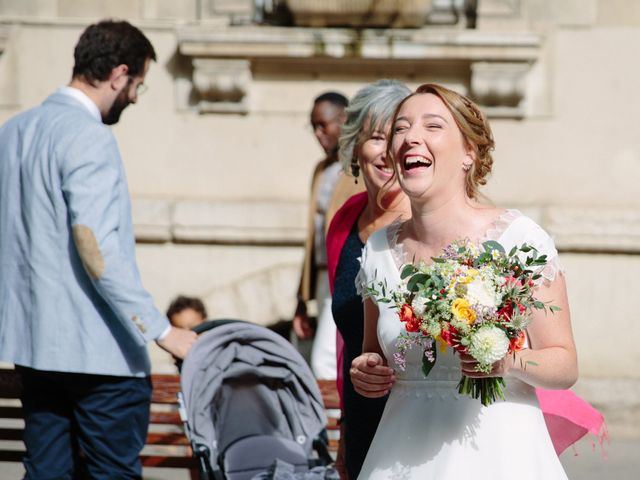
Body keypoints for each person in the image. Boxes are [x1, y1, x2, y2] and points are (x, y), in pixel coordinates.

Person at [0, 20, 197, 479]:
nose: (132, 97)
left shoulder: (13, 133)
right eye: (137, 86)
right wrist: (162, 330)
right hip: (100, 357)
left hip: (36, 348)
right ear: (119, 74)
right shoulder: (88, 135)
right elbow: (95, 248)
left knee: (46, 473)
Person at [351, 84, 579, 479]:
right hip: (400, 456)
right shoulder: (378, 250)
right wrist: (367, 369)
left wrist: (508, 360)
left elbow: (565, 363)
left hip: (500, 455)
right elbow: (375, 353)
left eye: (432, 126)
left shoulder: (519, 240)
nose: (410, 138)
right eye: (401, 129)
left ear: (468, 154)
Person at [325, 80, 411, 479]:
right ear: (356, 146)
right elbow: (349, 341)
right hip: (361, 414)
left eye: (399, 135)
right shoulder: (345, 219)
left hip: (417, 414)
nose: (390, 151)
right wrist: (345, 430)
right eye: (377, 137)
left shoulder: (425, 223)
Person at [293, 92, 364, 380]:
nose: (318, 134)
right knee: (320, 358)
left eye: (323, 125)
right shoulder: (321, 170)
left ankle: (336, 426)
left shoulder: (360, 169)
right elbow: (313, 239)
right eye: (313, 127)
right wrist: (301, 299)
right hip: (323, 278)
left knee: (324, 361)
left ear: (344, 120)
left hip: (348, 275)